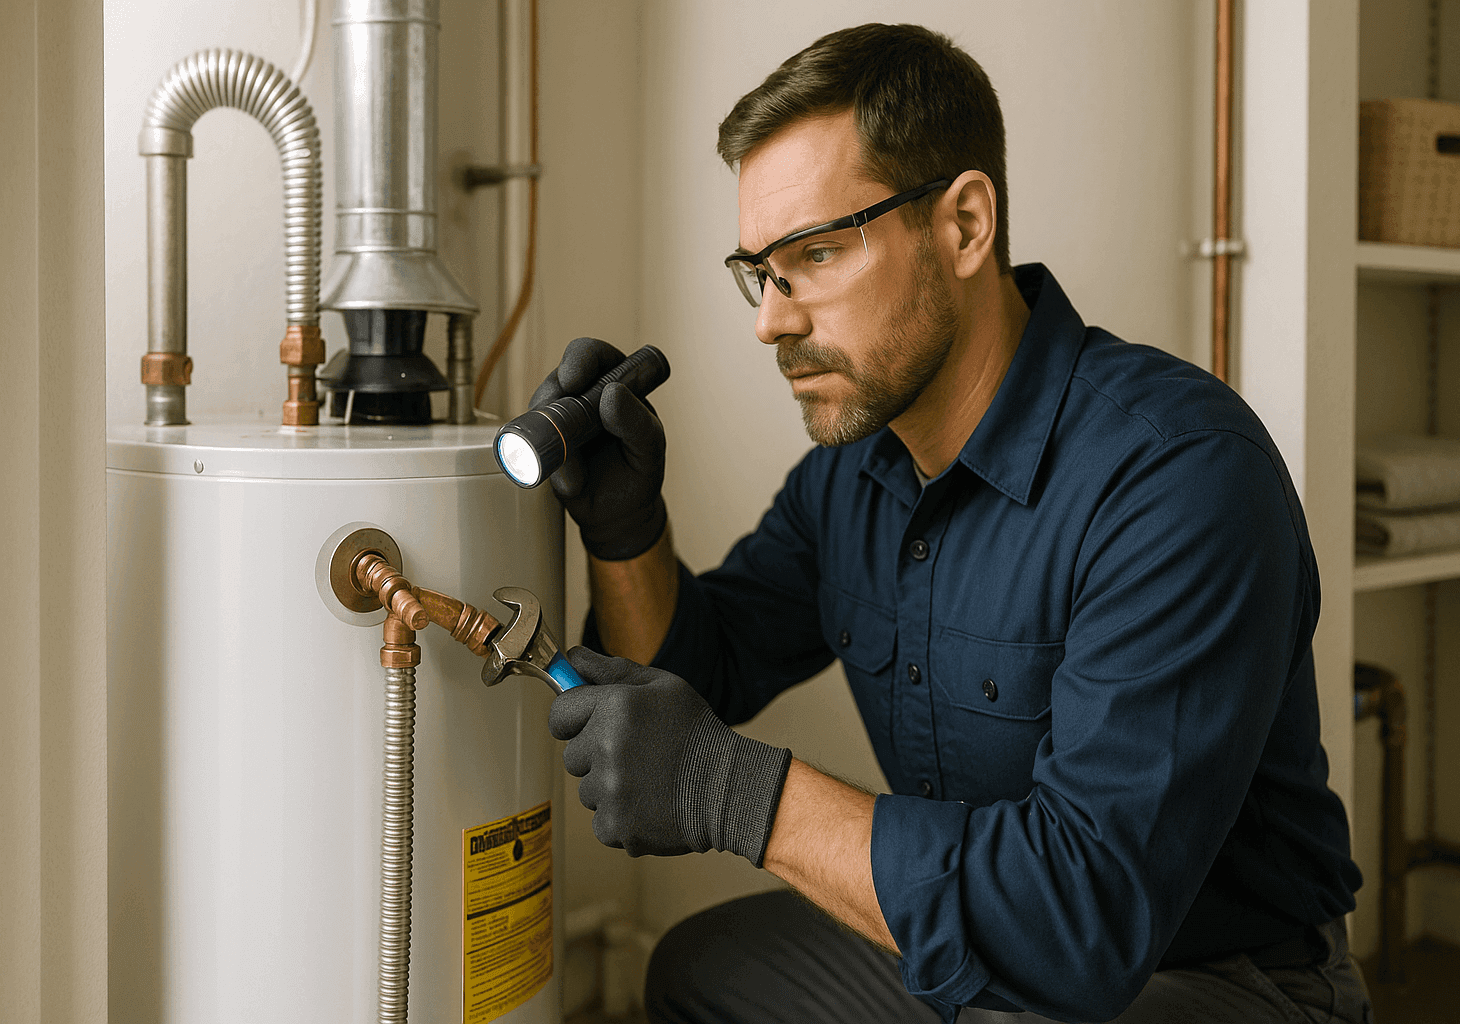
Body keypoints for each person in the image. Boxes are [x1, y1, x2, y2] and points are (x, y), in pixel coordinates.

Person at [535, 22, 1369, 1024]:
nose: (771, 318)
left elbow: (1080, 917)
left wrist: (737, 794)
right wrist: (624, 527)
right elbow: (692, 680)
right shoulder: (851, 478)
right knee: (702, 969)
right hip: (973, 936)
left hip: (1208, 973)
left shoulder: (1177, 476)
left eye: (816, 252)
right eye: (760, 268)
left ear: (965, 225)